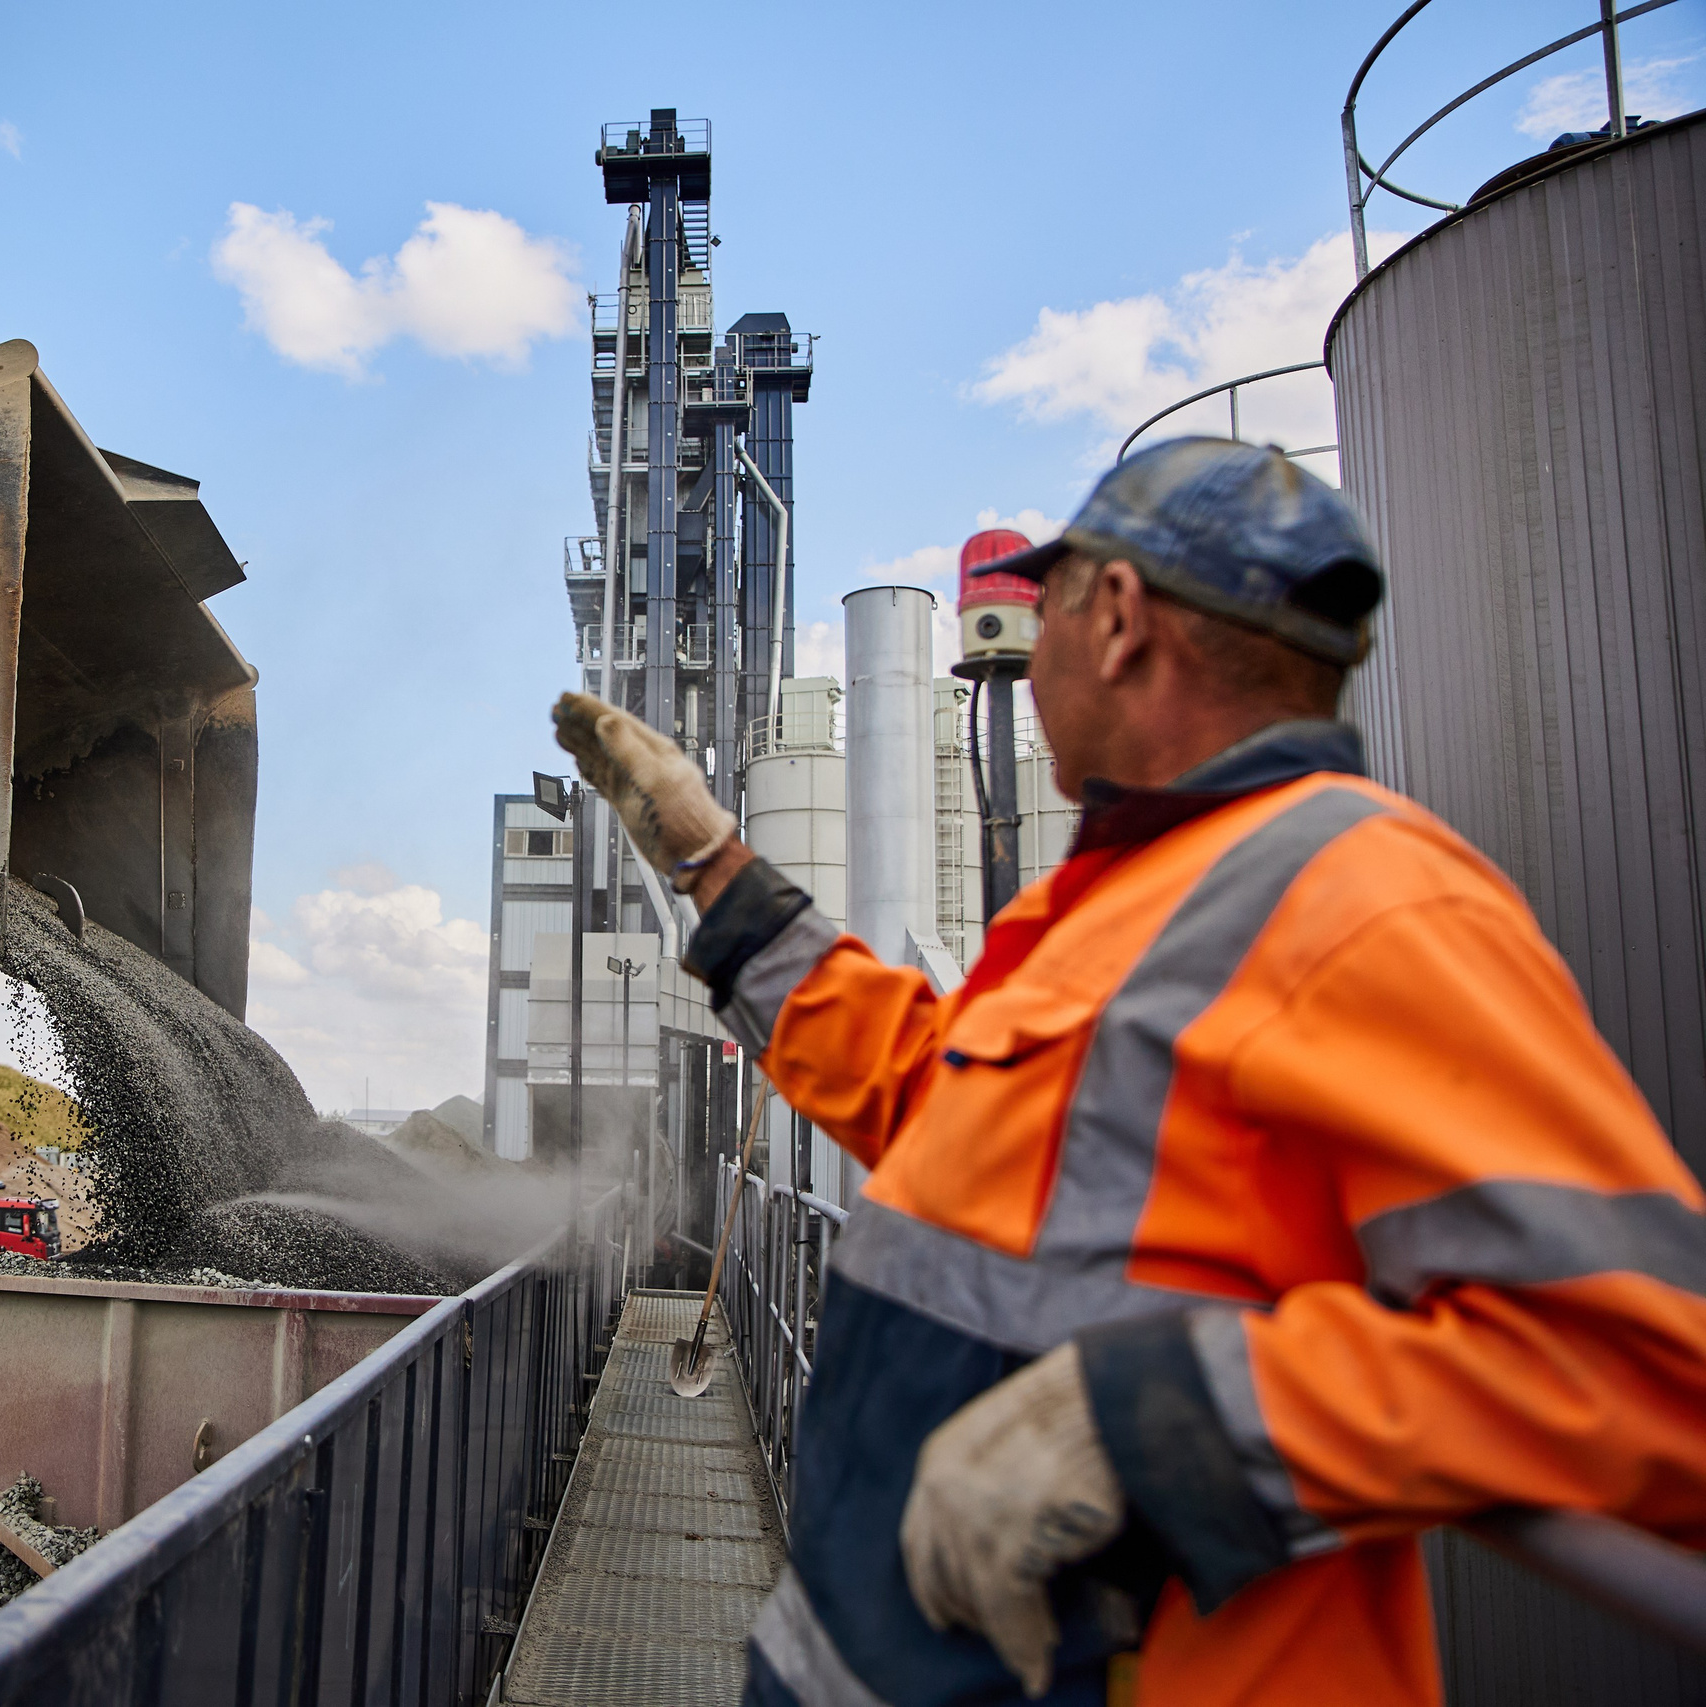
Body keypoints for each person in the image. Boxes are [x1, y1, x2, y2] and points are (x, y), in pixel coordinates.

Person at [551, 437, 1706, 1707]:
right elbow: (942, 1112)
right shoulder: (1121, 903)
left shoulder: (1368, 902)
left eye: (1043, 605)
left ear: (1115, 619)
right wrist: (715, 869)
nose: (1030, 646)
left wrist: (1168, 1420)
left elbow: (1643, 1373)